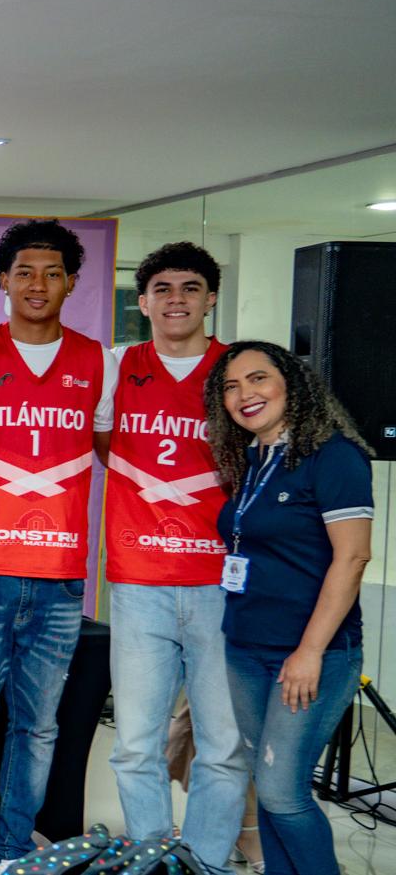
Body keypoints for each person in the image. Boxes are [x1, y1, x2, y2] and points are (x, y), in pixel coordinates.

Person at [0, 219, 115, 875]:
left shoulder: (99, 361)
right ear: (2, 281)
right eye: (24, 272)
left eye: (52, 272)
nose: (37, 284)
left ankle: (13, 849)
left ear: (71, 282)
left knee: (38, 726)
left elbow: (110, 446)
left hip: (61, 575)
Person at [207, 340, 373, 875]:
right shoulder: (252, 459)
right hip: (245, 647)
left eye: (258, 378)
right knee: (268, 780)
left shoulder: (334, 456)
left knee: (282, 792)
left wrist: (309, 652)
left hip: (309, 654)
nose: (244, 394)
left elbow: (352, 558)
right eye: (231, 386)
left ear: (292, 385)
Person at [102, 242, 242, 875]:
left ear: (211, 298)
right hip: (139, 583)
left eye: (190, 287)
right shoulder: (116, 366)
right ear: (143, 301)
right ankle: (153, 860)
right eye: (162, 288)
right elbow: (100, 442)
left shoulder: (238, 372)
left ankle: (206, 863)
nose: (176, 299)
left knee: (223, 746)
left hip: (221, 584)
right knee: (135, 745)